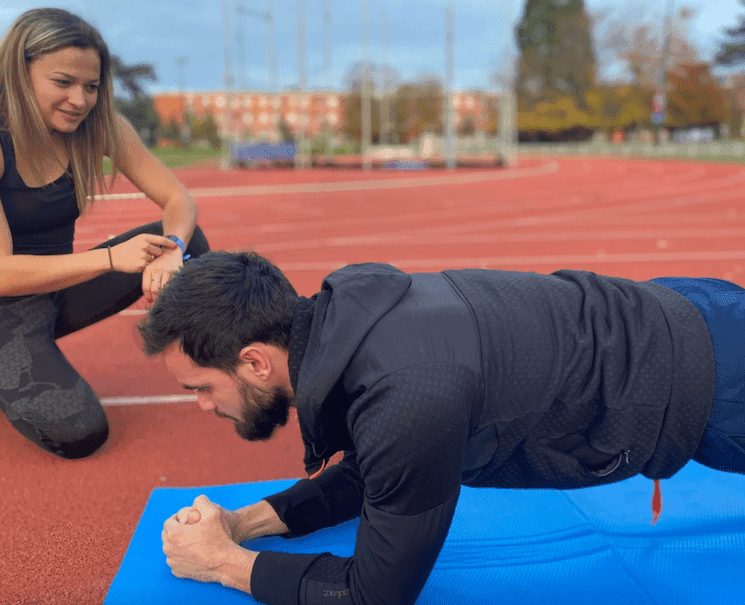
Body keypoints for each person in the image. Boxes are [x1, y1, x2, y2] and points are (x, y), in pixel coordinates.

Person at [139, 251, 744, 605]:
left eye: (201, 387)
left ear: (253, 362)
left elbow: (374, 594)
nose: (199, 405)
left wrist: (224, 564)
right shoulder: (350, 317)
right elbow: (381, 470)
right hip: (692, 315)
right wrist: (244, 524)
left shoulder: (404, 397)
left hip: (716, 384)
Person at [0, 8, 209, 460]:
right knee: (80, 434)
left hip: (55, 292)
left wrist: (173, 249)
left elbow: (179, 200)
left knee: (189, 244)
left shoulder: (101, 126)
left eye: (91, 87)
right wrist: (112, 259)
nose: (79, 99)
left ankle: (212, 364)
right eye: (63, 82)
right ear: (19, 72)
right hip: (4, 310)